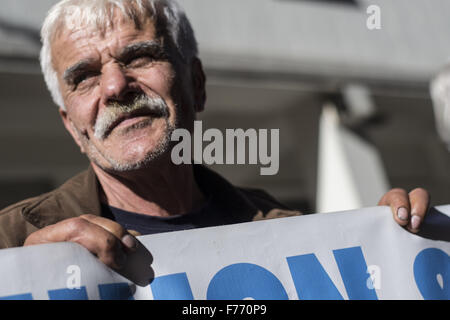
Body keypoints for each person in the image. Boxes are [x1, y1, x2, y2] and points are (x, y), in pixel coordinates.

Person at [0, 0, 430, 271]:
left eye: (141, 56)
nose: (115, 87)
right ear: (70, 125)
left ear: (196, 84)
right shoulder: (11, 246)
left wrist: (391, 250)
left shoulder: (299, 238)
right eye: (86, 77)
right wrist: (24, 281)